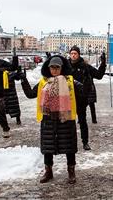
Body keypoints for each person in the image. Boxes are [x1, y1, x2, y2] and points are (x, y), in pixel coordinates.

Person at [19, 55, 82, 184]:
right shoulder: (44, 82)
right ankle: (48, 171)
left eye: (57, 68)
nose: (54, 70)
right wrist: (23, 80)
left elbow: (83, 92)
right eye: (52, 68)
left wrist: (85, 81)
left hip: (66, 117)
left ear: (62, 68)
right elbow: (31, 94)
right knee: (48, 146)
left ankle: (71, 171)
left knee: (69, 146)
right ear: (48, 68)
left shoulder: (70, 80)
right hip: (48, 118)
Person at [68, 45, 106, 150]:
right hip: (68, 99)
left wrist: (103, 64)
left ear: (79, 54)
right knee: (68, 122)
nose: (73, 55)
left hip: (81, 99)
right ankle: (69, 142)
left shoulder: (85, 66)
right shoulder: (66, 66)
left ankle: (85, 142)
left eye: (75, 53)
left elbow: (99, 75)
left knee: (82, 121)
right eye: (71, 53)